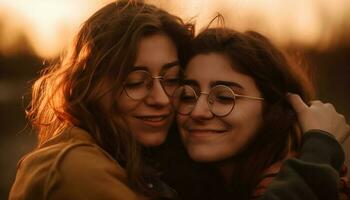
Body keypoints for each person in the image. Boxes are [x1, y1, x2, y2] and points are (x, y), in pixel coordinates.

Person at [9, 1, 349, 199]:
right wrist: (316, 159)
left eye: (172, 81)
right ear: (89, 85)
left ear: (274, 107)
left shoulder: (159, 170)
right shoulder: (76, 170)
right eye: (134, 82)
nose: (162, 99)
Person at [174, 27, 350, 199]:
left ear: (272, 108)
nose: (198, 112)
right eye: (188, 96)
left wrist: (318, 149)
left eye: (225, 97)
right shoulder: (191, 183)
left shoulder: (284, 185)